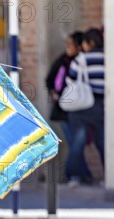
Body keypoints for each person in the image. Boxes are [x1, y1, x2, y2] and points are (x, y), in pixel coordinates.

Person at [66, 28, 105, 187]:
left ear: (91, 43)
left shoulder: (81, 59)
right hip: (100, 104)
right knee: (102, 141)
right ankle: (110, 176)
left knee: (78, 141)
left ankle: (75, 176)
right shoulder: (109, 58)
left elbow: (71, 80)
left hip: (82, 104)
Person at [45, 31, 84, 184]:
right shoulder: (63, 60)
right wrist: (53, 92)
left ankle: (75, 174)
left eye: (70, 44)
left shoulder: (82, 62)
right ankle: (75, 175)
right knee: (74, 143)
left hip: (80, 109)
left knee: (76, 143)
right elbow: (49, 79)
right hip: (62, 110)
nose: (67, 47)